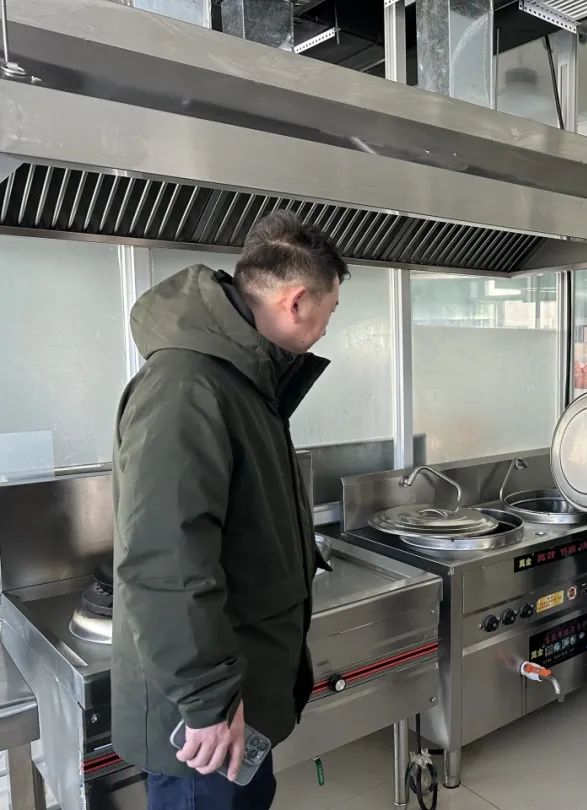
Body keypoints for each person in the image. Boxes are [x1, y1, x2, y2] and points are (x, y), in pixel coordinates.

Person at [111, 210, 348, 810]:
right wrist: (208, 701)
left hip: (241, 691)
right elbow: (165, 559)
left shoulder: (243, 379)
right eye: (330, 310)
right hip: (206, 723)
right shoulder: (187, 386)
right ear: (297, 302)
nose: (327, 327)